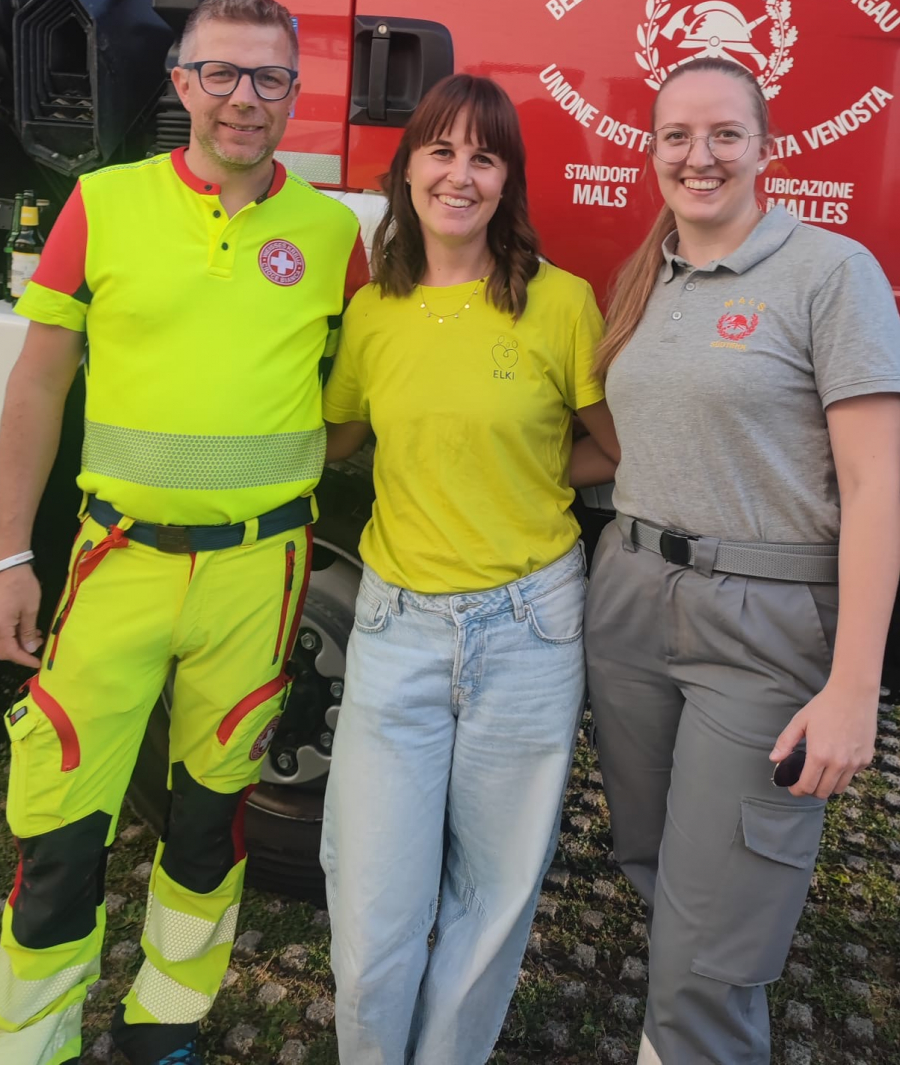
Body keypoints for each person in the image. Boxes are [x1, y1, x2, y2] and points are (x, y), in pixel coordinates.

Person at [0, 0, 367, 1065]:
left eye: (269, 76)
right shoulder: (102, 204)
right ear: (180, 83)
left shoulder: (333, 233)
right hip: (118, 560)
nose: (245, 97)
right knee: (60, 820)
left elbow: (346, 406)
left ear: (295, 91)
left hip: (260, 571)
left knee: (208, 822)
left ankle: (164, 1024)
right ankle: (30, 1045)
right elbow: (37, 383)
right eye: (221, 72)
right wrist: (11, 555)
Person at [584, 56, 900, 1065]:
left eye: (725, 133)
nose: (701, 155)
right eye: (677, 135)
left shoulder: (831, 272)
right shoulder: (647, 276)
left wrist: (852, 688)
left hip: (762, 621)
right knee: (654, 861)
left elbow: (873, 491)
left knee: (714, 936)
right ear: (651, 152)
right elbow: (624, 445)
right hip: (630, 599)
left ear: (766, 149)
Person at [319, 73, 619, 1065]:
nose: (460, 174)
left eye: (484, 157)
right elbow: (335, 440)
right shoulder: (373, 313)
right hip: (395, 627)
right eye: (441, 151)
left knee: (492, 897)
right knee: (373, 906)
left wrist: (524, 470)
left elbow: (611, 448)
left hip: (530, 627)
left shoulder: (560, 303)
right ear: (405, 172)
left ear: (507, 182)